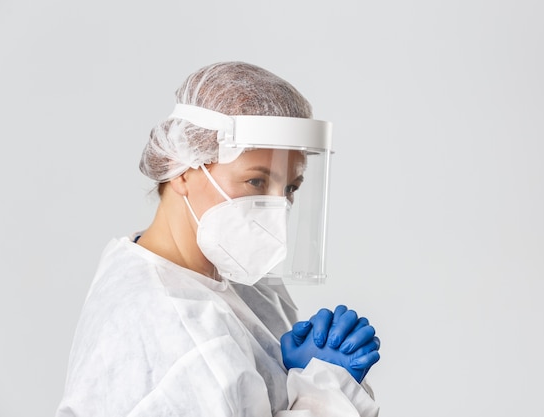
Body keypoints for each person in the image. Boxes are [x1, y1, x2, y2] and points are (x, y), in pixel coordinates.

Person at [56, 61, 381, 417]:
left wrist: (298, 376)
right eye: (256, 181)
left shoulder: (233, 280)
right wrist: (327, 393)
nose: (276, 206)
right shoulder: (172, 328)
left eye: (290, 188)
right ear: (181, 168)